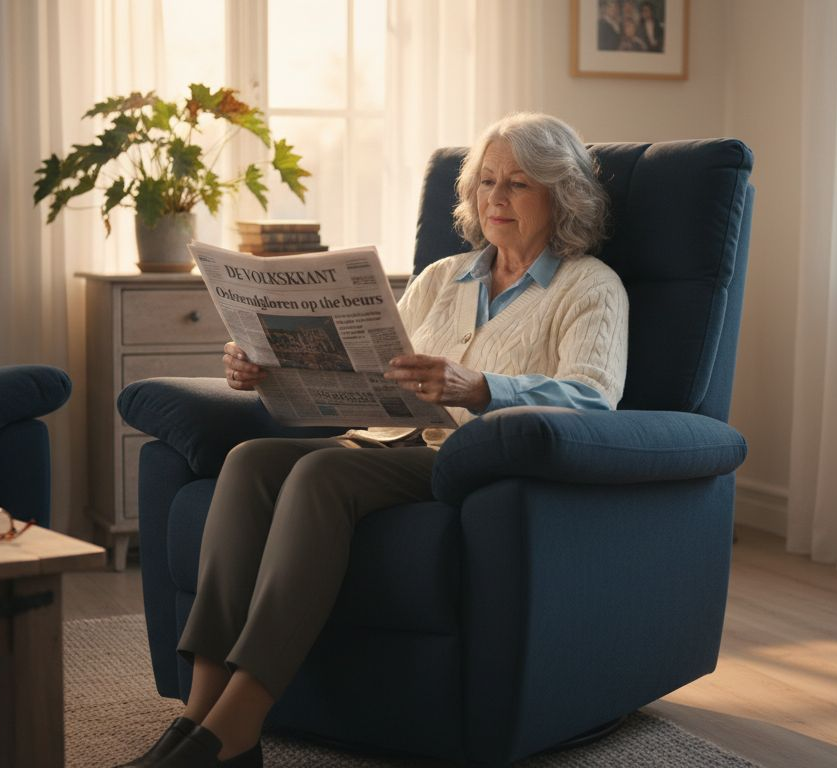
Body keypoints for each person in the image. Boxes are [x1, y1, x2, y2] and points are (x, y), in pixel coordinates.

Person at [115, 112, 630, 768]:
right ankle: (198, 717)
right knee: (249, 461)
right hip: (382, 439)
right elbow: (369, 369)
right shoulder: (444, 278)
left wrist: (478, 387)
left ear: (563, 195)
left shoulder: (590, 287)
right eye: (487, 183)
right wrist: (265, 367)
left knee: (320, 477)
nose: (496, 199)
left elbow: (593, 397)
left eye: (519, 184)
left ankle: (239, 726)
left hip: (463, 460)